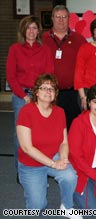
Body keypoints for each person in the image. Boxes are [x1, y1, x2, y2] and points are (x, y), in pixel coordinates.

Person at [16, 74, 81, 219]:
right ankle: (34, 184)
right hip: (31, 163)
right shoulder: (26, 111)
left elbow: (64, 142)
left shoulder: (60, 112)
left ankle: (67, 206)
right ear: (36, 92)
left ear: (55, 94)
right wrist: (53, 164)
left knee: (70, 176)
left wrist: (63, 158)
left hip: (53, 155)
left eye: (52, 88)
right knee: (37, 207)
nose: (48, 91)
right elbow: (27, 148)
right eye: (44, 87)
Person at [6, 15, 54, 179]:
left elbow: (49, 74)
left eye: (34, 28)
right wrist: (23, 96)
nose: (31, 31)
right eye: (28, 28)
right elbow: (11, 76)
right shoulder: (15, 49)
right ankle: (22, 171)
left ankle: (40, 169)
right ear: (23, 30)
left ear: (38, 31)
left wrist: (40, 96)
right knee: (21, 134)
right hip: (21, 96)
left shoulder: (45, 49)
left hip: (41, 96)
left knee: (40, 133)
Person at [42, 5, 87, 129]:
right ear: (52, 18)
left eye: (64, 17)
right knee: (50, 127)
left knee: (72, 127)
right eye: (58, 17)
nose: (61, 20)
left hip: (72, 93)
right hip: (48, 93)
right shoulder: (42, 39)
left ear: (69, 19)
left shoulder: (79, 39)